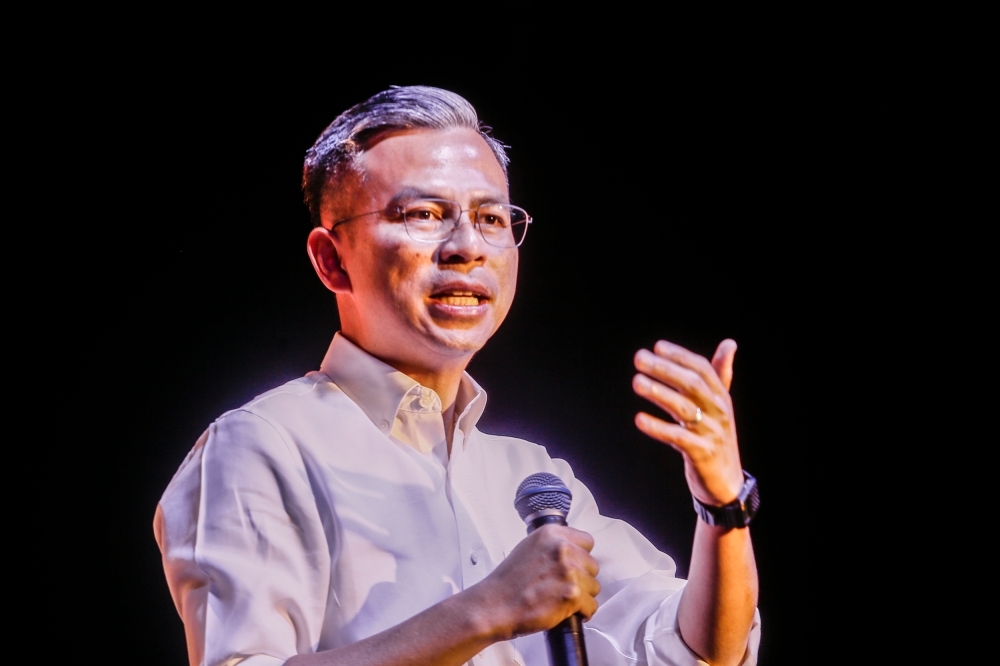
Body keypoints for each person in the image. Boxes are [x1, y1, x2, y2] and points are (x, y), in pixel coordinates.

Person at [155, 86, 761, 666]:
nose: (467, 245)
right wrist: (487, 609)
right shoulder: (265, 445)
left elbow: (697, 648)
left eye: (493, 219)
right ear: (331, 259)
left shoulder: (532, 480)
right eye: (424, 213)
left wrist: (723, 507)